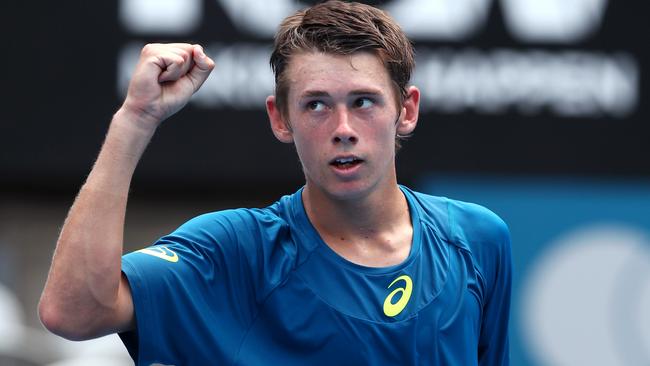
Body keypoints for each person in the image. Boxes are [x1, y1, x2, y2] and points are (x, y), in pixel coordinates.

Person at [39, 1, 512, 365]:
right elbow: (73, 312)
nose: (343, 127)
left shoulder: (477, 238)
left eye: (364, 101)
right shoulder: (235, 250)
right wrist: (135, 120)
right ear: (281, 119)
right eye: (316, 105)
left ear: (405, 110)